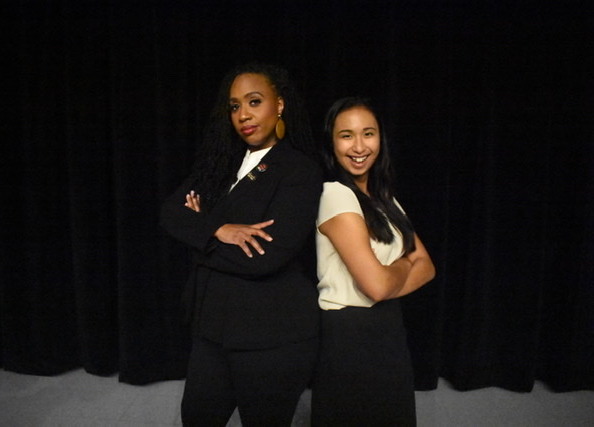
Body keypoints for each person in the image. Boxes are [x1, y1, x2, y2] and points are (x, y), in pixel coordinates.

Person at [160, 63, 322, 426]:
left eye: (254, 101)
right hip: (212, 331)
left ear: (279, 105)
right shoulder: (222, 163)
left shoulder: (299, 171)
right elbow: (171, 213)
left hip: (272, 337)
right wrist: (218, 229)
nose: (243, 115)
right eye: (235, 106)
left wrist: (198, 231)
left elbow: (262, 257)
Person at [311, 97, 435, 426]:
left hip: (388, 329)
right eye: (346, 135)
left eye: (368, 133)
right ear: (331, 142)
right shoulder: (336, 195)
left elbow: (428, 265)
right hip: (351, 337)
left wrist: (391, 274)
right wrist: (405, 265)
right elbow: (378, 285)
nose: (359, 146)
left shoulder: (383, 199)